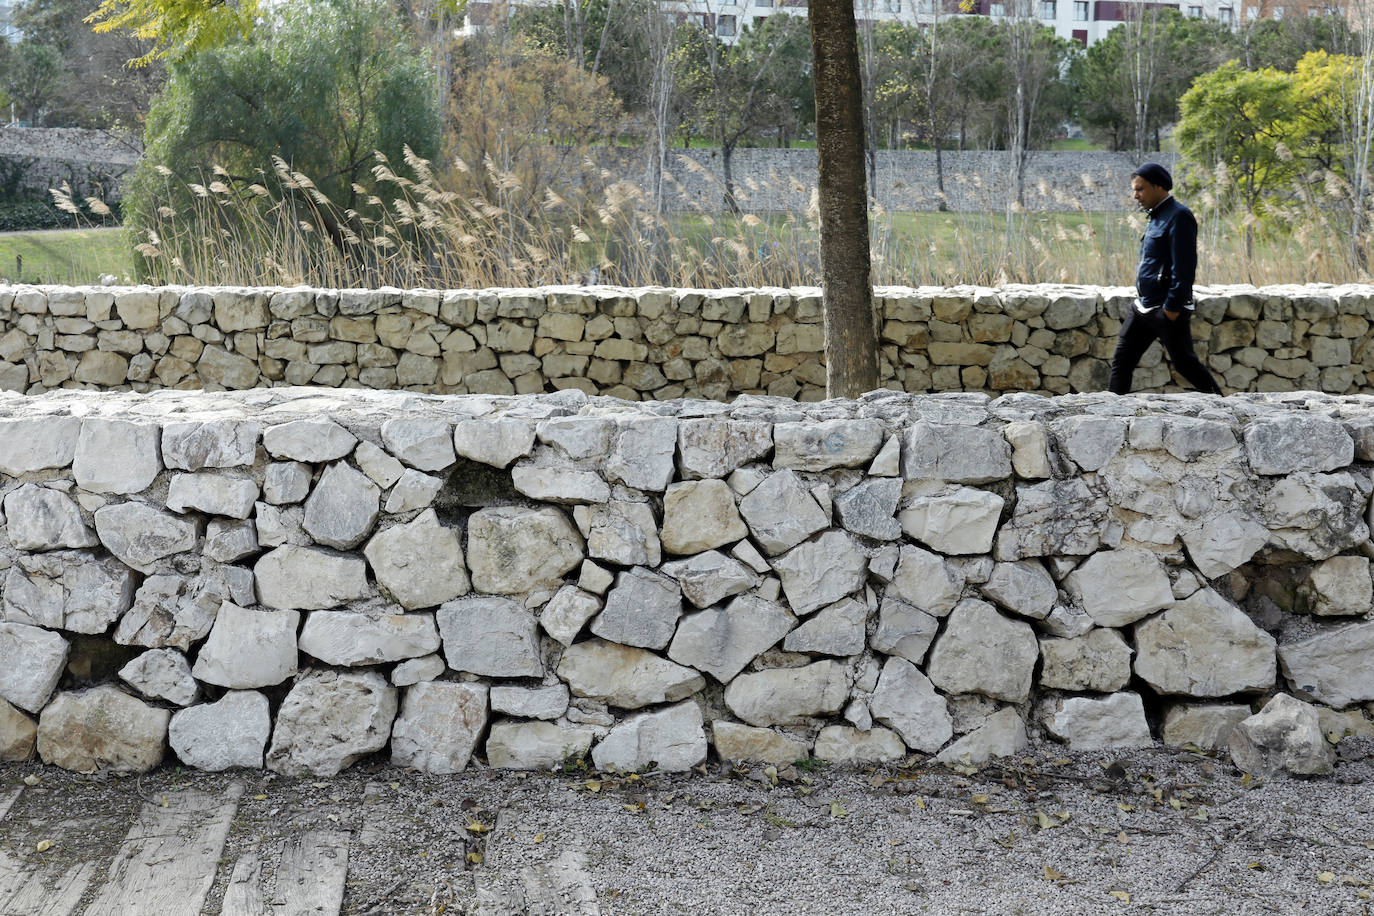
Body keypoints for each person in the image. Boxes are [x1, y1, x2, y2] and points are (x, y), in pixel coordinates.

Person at [1107, 162, 1223, 396]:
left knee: (1185, 364)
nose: (1135, 195)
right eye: (1134, 189)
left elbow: (1185, 267)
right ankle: (1111, 413)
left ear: (1159, 186)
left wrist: (1171, 309)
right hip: (1143, 304)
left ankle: (1225, 406)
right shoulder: (1155, 216)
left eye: (1140, 189)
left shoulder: (1179, 216)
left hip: (1166, 307)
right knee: (1122, 360)